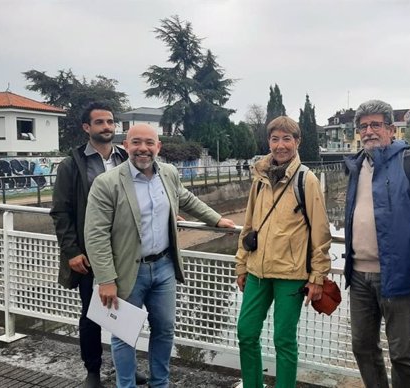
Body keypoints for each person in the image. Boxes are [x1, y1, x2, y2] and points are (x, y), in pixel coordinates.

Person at [84, 123, 236, 388]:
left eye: (149, 143)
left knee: (164, 330)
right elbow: (96, 234)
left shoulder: (168, 172)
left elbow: (186, 199)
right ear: (126, 145)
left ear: (158, 147)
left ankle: (160, 383)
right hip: (126, 271)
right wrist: (106, 278)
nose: (143, 149)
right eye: (136, 142)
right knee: (124, 335)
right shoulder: (107, 182)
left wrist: (217, 219)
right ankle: (126, 385)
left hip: (164, 267)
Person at [343, 100, 410, 388]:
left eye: (376, 124)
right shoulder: (357, 167)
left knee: (402, 354)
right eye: (363, 126)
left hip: (400, 276)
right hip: (359, 276)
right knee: (362, 346)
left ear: (391, 129)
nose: (369, 131)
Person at [50, 102, 147, 388]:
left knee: (128, 313)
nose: (107, 127)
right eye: (100, 122)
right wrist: (72, 251)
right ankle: (92, 370)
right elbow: (61, 212)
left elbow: (144, 193)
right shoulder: (73, 164)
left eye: (110, 121)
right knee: (91, 314)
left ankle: (125, 370)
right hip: (90, 255)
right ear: (86, 128)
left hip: (127, 253)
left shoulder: (127, 158)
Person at [235, 116, 331, 388]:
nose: (280, 145)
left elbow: (321, 234)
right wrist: (241, 264)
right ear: (269, 142)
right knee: (246, 332)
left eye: (287, 139)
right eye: (275, 139)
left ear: (297, 142)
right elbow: (249, 224)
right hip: (257, 271)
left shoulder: (306, 180)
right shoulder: (259, 178)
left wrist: (317, 276)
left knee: (284, 340)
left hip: (291, 274)